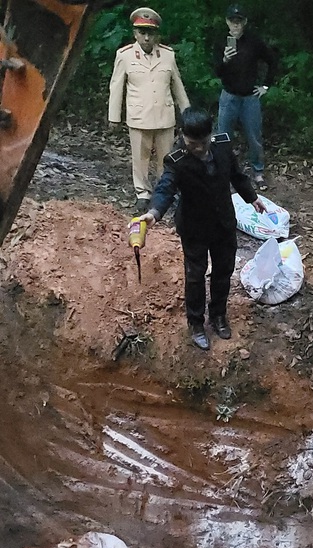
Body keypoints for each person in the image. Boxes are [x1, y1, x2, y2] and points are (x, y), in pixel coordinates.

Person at [136, 107, 267, 351]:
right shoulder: (177, 160)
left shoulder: (223, 147)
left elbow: (236, 176)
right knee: (195, 276)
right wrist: (154, 213)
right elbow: (166, 188)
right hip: (194, 227)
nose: (198, 148)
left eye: (203, 142)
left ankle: (218, 316)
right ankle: (196, 324)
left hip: (223, 223)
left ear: (210, 135)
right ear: (183, 136)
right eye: (192, 143)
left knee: (223, 271)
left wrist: (252, 197)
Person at [108, 7, 190, 212]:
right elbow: (116, 86)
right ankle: (142, 194)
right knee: (140, 158)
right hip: (139, 115)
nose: (146, 37)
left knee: (167, 157)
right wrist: (114, 116)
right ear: (135, 33)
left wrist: (187, 112)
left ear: (156, 35)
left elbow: (177, 84)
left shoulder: (167, 55)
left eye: (150, 33)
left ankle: (165, 192)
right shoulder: (125, 55)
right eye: (142, 32)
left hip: (164, 114)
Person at [214, 3, 277, 191]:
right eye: (232, 21)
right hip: (229, 96)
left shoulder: (254, 41)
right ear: (227, 22)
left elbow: (272, 61)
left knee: (254, 137)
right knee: (222, 137)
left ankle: (258, 173)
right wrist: (224, 59)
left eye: (239, 21)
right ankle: (222, 173)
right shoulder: (220, 42)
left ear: (245, 22)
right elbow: (216, 70)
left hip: (250, 97)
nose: (236, 26)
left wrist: (266, 86)